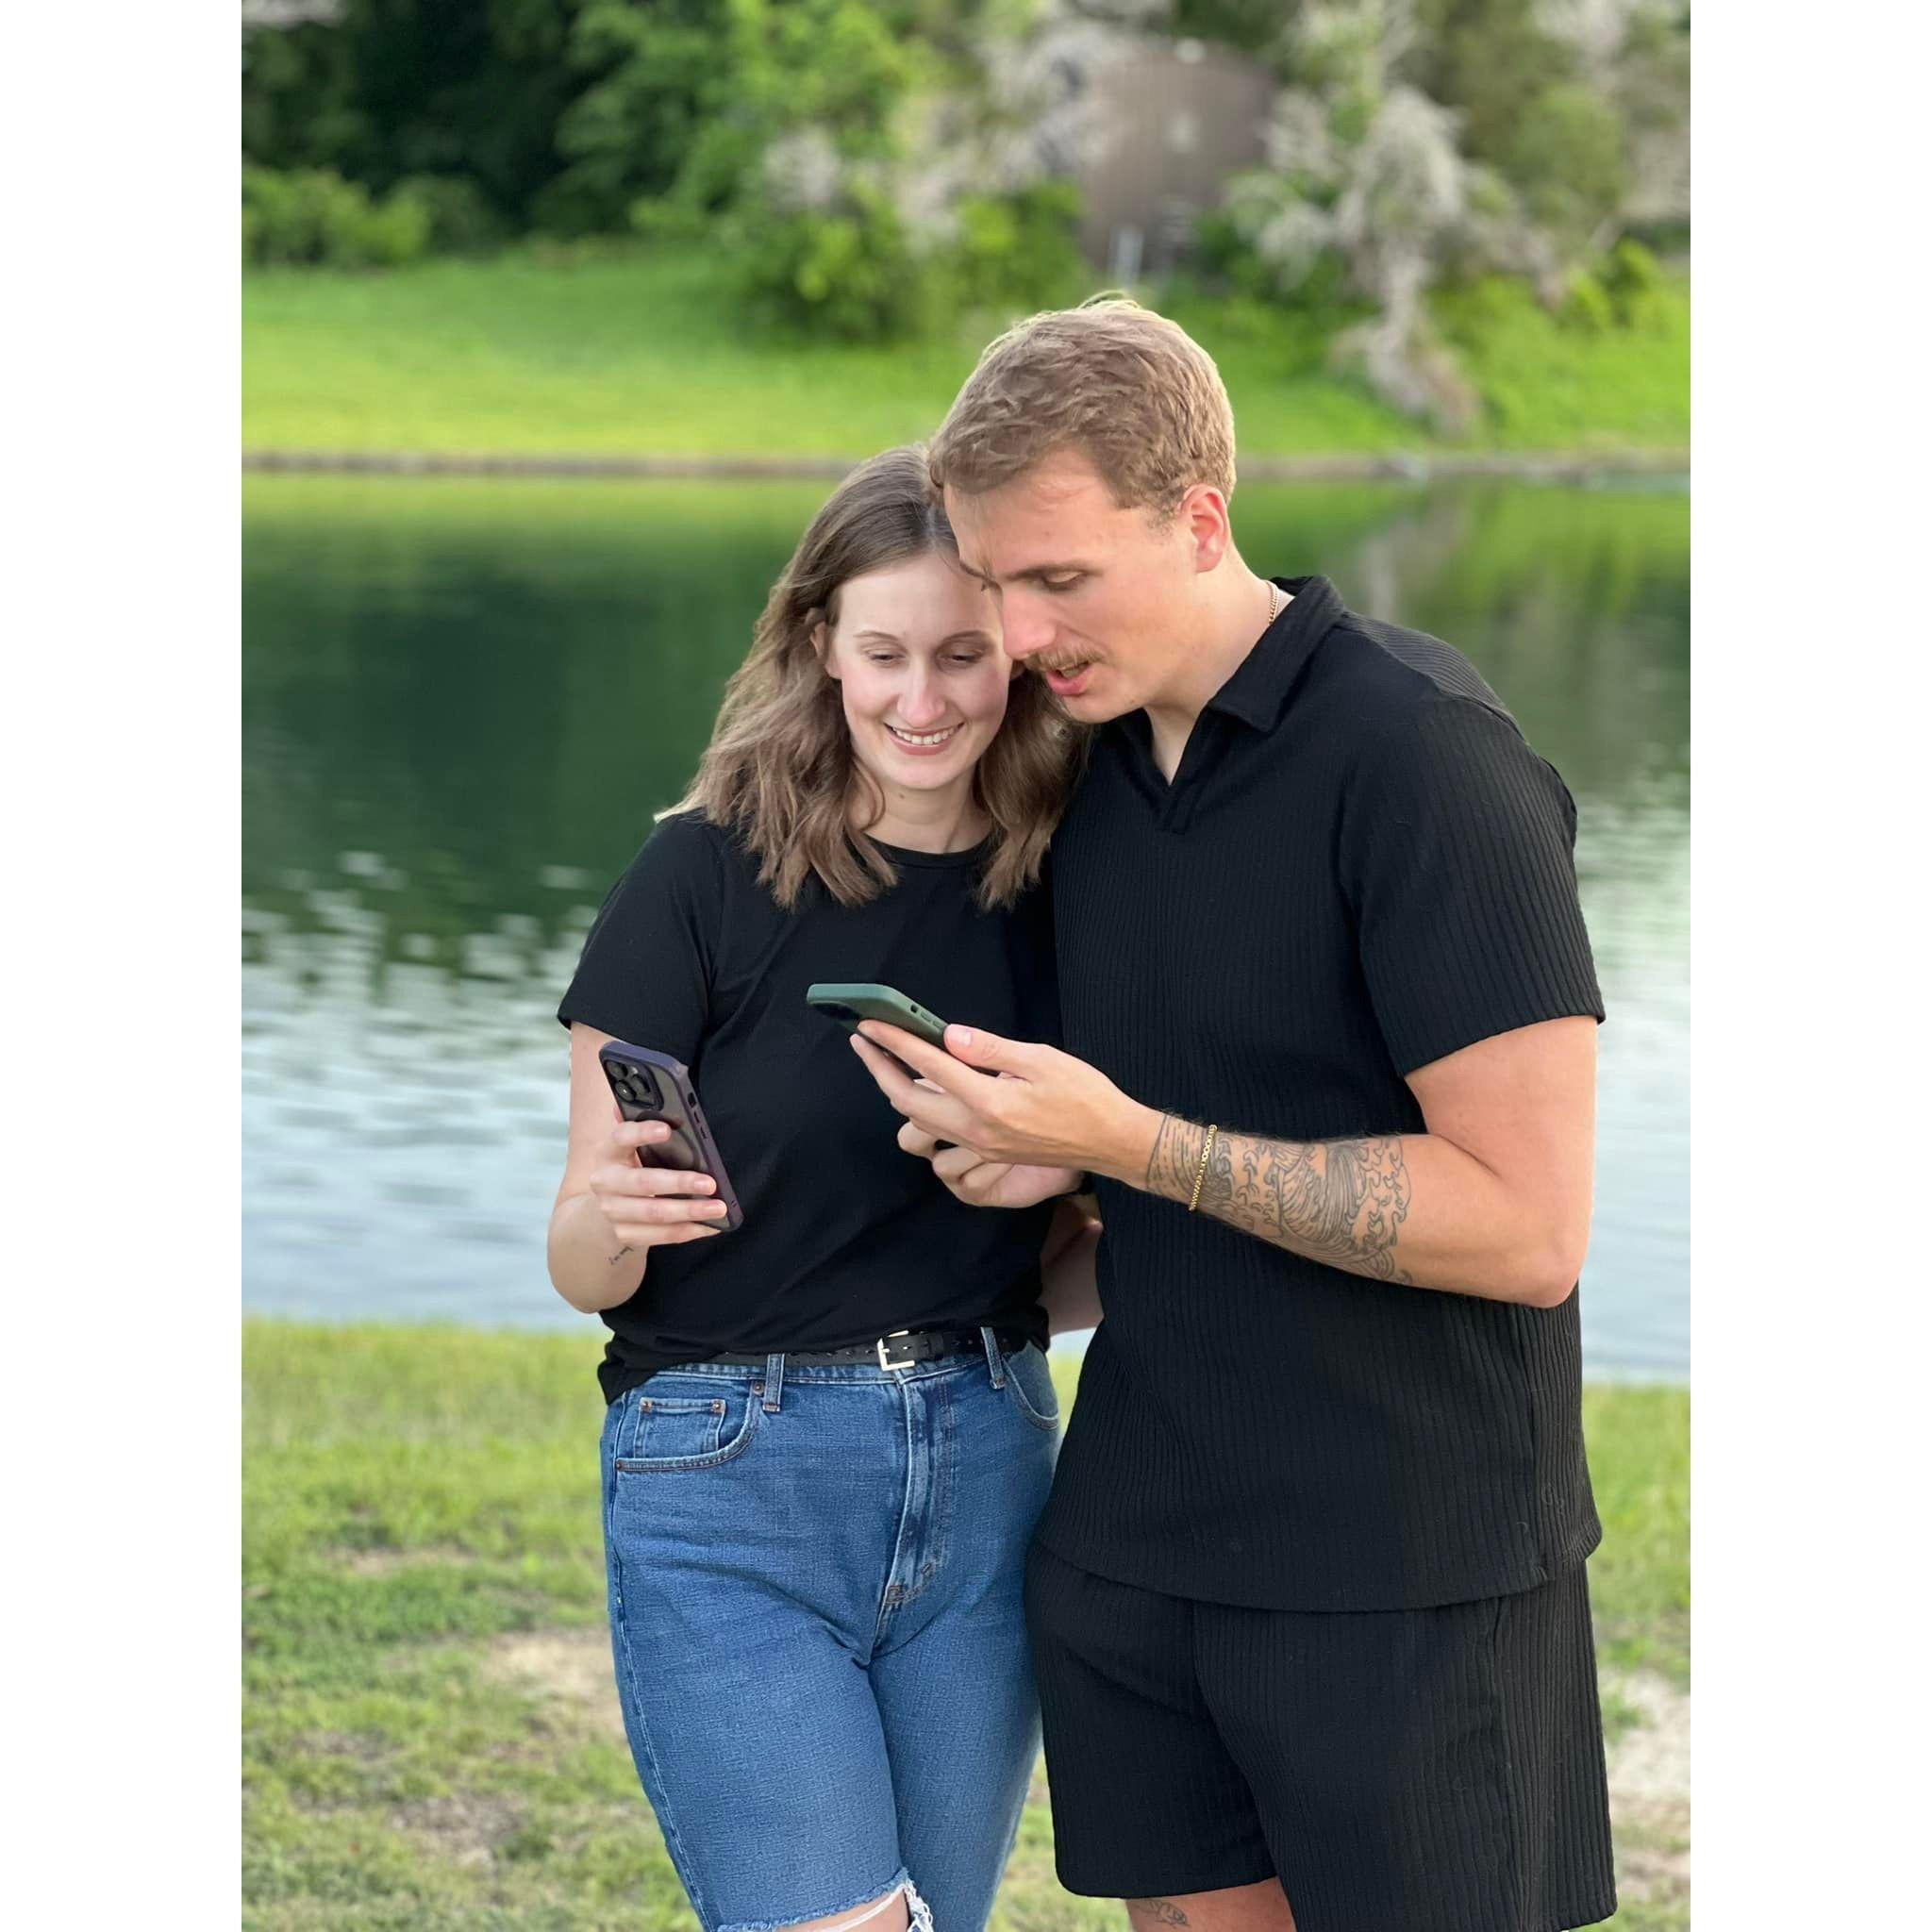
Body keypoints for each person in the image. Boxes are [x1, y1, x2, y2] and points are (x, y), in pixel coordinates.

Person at [852, 302, 1619, 1932]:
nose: (1022, 632)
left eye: (1061, 578)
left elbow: (1529, 1226)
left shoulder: (1425, 760)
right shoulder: (1086, 770)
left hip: (1406, 1574)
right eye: (993, 580)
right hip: (1137, 1548)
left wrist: (1126, 1142)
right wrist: (1037, 1166)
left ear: (1201, 519)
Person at [547, 446, 1099, 1932]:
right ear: (821, 646)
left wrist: (1092, 1170)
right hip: (730, 1478)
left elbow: (1076, 1268)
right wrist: (611, 1219)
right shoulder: (697, 878)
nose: (923, 698)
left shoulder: (1075, 891)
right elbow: (582, 1262)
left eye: (962, 655)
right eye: (884, 654)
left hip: (987, 1467)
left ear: (1019, 653)